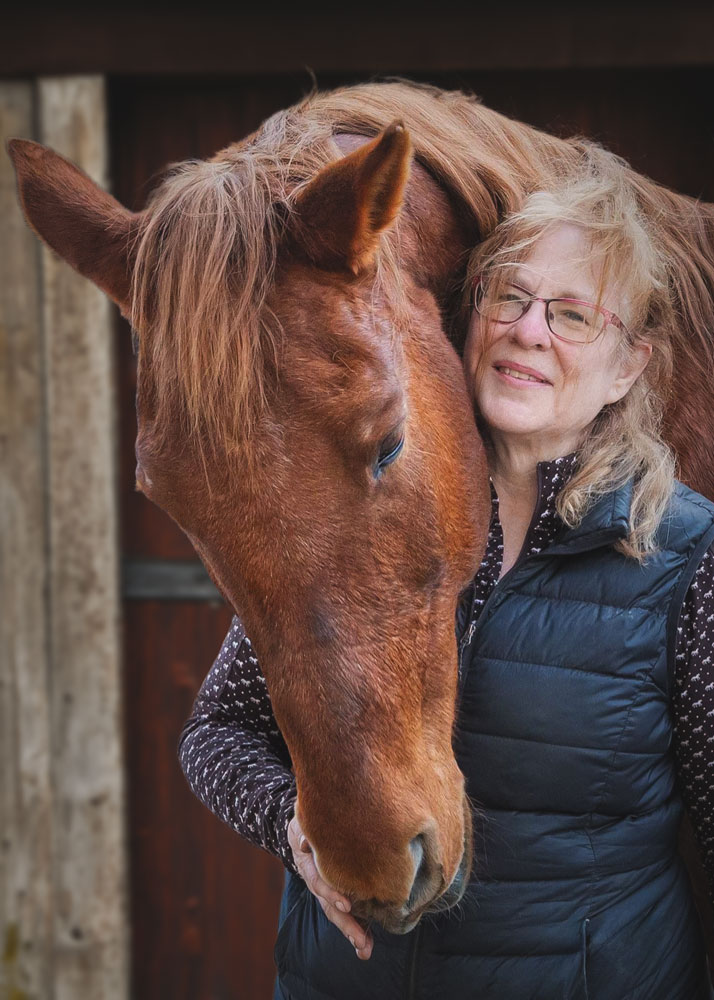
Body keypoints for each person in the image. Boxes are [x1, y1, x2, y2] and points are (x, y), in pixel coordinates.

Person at [179, 148, 714, 999]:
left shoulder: (685, 557)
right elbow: (214, 736)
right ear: (469, 318)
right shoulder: (365, 501)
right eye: (511, 296)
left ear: (628, 367)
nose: (529, 330)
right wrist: (293, 830)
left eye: (574, 315)